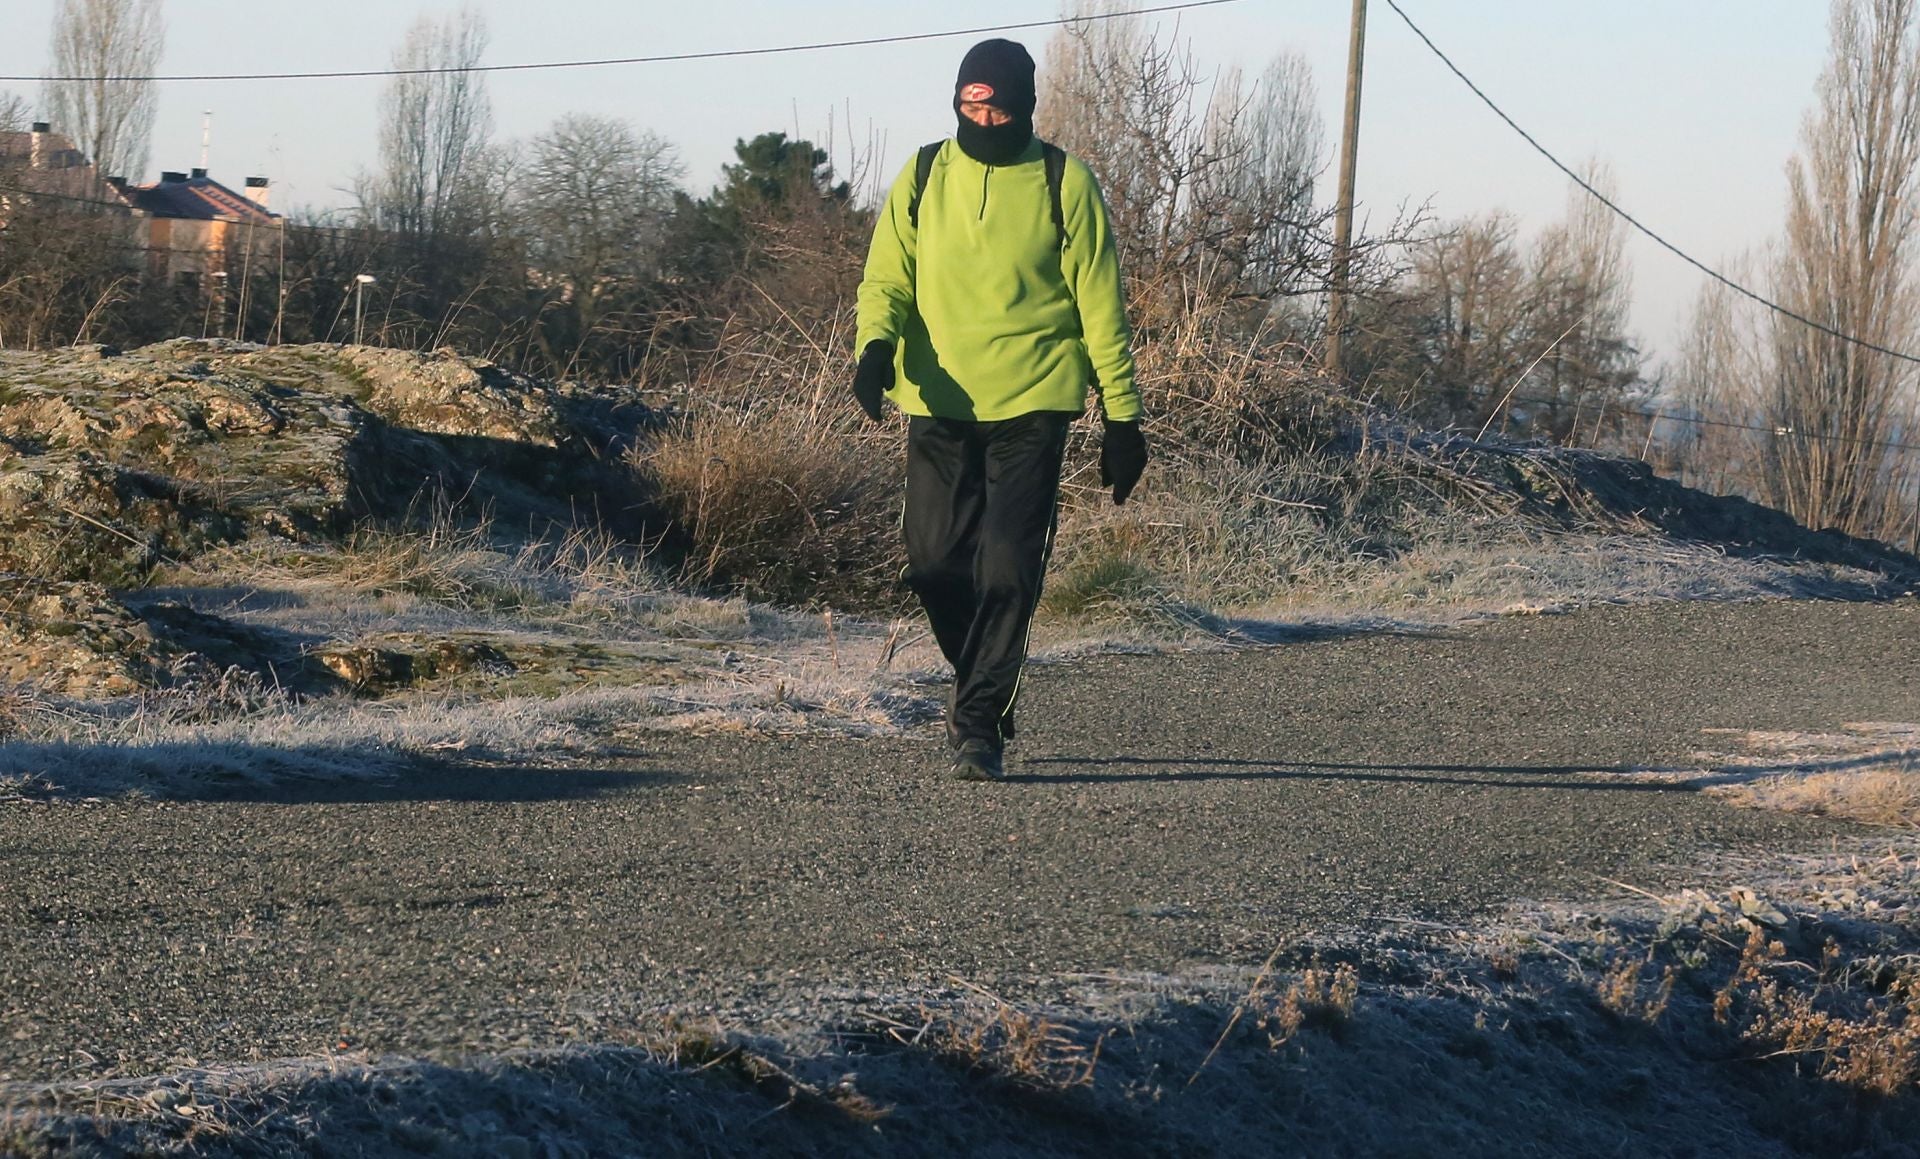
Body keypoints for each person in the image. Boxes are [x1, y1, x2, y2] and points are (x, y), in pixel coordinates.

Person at [852, 37, 1147, 782]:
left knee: (1008, 567)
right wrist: (875, 348)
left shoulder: (1062, 180)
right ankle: (988, 675)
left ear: (1024, 105)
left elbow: (1101, 307)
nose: (983, 115)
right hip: (937, 398)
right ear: (957, 100)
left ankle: (978, 722)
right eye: (970, 102)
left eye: (998, 104)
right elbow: (886, 277)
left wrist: (1123, 417)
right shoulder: (922, 176)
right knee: (933, 564)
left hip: (1035, 401)